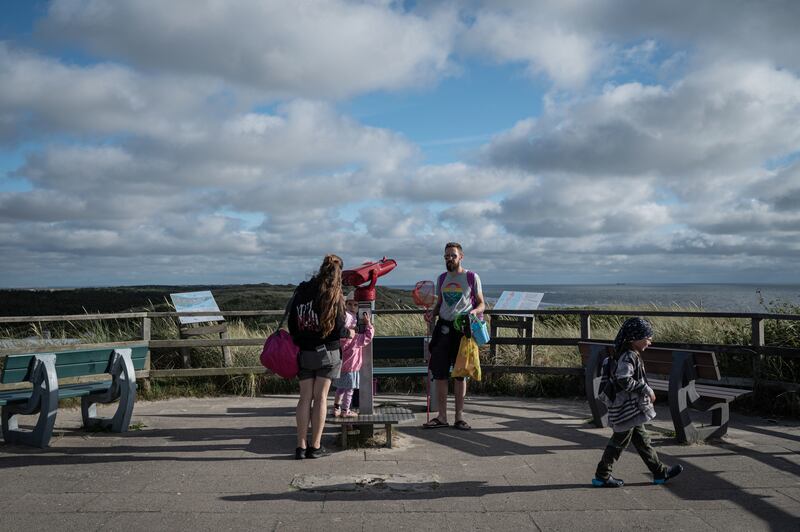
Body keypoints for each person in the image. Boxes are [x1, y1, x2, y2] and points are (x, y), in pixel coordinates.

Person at [592, 317, 684, 487]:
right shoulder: (628, 356)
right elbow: (623, 379)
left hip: (630, 409)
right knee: (618, 443)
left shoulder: (628, 354)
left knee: (643, 441)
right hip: (626, 408)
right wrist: (646, 389)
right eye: (647, 338)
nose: (650, 341)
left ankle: (659, 473)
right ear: (635, 339)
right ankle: (602, 475)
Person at [288, 254, 354, 459]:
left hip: (305, 352)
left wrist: (303, 340)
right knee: (321, 398)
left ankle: (300, 446)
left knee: (304, 398)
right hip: (328, 353)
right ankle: (315, 446)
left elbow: (292, 324)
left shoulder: (301, 290)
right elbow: (339, 328)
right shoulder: (335, 295)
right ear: (339, 272)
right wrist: (348, 333)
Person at [422, 242, 485, 430]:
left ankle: (459, 417)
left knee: (460, 375)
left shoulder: (472, 277)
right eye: (446, 256)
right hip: (443, 328)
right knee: (440, 374)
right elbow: (440, 303)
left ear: (461, 257)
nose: (449, 259)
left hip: (463, 330)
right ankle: (442, 417)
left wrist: (474, 312)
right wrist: (431, 314)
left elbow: (482, 304)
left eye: (453, 255)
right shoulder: (442, 278)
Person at [331, 292, 374, 418]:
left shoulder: (339, 339)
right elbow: (368, 336)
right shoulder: (356, 338)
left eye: (355, 304)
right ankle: (346, 410)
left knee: (340, 388)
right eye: (350, 304)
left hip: (340, 366)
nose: (353, 307)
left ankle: (336, 408)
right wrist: (368, 324)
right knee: (349, 390)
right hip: (352, 367)